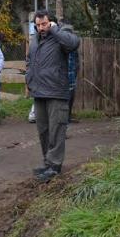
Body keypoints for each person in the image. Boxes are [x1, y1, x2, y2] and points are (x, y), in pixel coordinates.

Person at [26, 10, 80, 182]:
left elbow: (73, 44)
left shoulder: (62, 34)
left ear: (51, 23)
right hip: (39, 92)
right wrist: (29, 78)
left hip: (57, 91)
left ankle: (55, 166)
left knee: (57, 130)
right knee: (43, 130)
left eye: (44, 24)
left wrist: (54, 30)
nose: (41, 28)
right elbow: (29, 60)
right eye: (38, 25)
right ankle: (47, 164)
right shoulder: (35, 40)